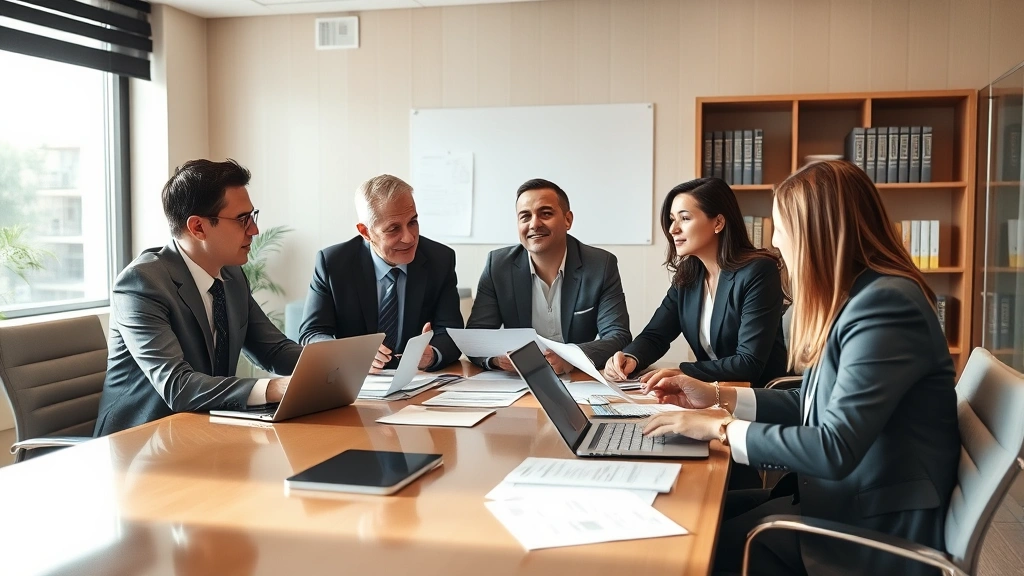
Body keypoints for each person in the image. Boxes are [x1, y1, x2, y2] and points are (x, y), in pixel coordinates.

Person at [642, 160, 959, 576]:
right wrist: (719, 397)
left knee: (680, 552)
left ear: (817, 232)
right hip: (834, 499)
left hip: (871, 529)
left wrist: (718, 428)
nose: (775, 242)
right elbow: (809, 402)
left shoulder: (886, 305)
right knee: (681, 514)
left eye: (780, 227)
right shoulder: (857, 298)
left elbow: (834, 447)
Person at [95, 159, 302, 436]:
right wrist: (274, 387)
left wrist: (335, 366)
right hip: (140, 442)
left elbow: (274, 351)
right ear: (198, 228)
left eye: (253, 216)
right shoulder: (142, 284)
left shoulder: (231, 276)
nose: (254, 230)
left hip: (206, 429)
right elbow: (177, 386)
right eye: (242, 219)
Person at [604, 177, 787, 388]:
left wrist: (682, 372)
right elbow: (656, 335)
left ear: (718, 222)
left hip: (757, 398)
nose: (673, 229)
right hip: (711, 395)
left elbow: (749, 362)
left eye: (685, 218)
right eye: (672, 219)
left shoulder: (759, 271)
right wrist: (630, 358)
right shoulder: (688, 275)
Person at [299, 174, 462, 372]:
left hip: (418, 380)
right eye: (393, 229)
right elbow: (312, 333)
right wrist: (351, 351)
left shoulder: (440, 259)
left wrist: (432, 354)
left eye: (413, 222)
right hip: (353, 380)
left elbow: (452, 333)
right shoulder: (333, 263)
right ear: (365, 232)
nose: (409, 238)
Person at [466, 178, 631, 373]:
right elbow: (476, 337)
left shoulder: (600, 265)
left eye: (545, 214)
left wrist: (569, 358)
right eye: (525, 217)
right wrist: (495, 359)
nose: (534, 224)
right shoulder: (498, 266)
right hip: (519, 380)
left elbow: (617, 336)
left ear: (568, 220)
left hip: (578, 378)